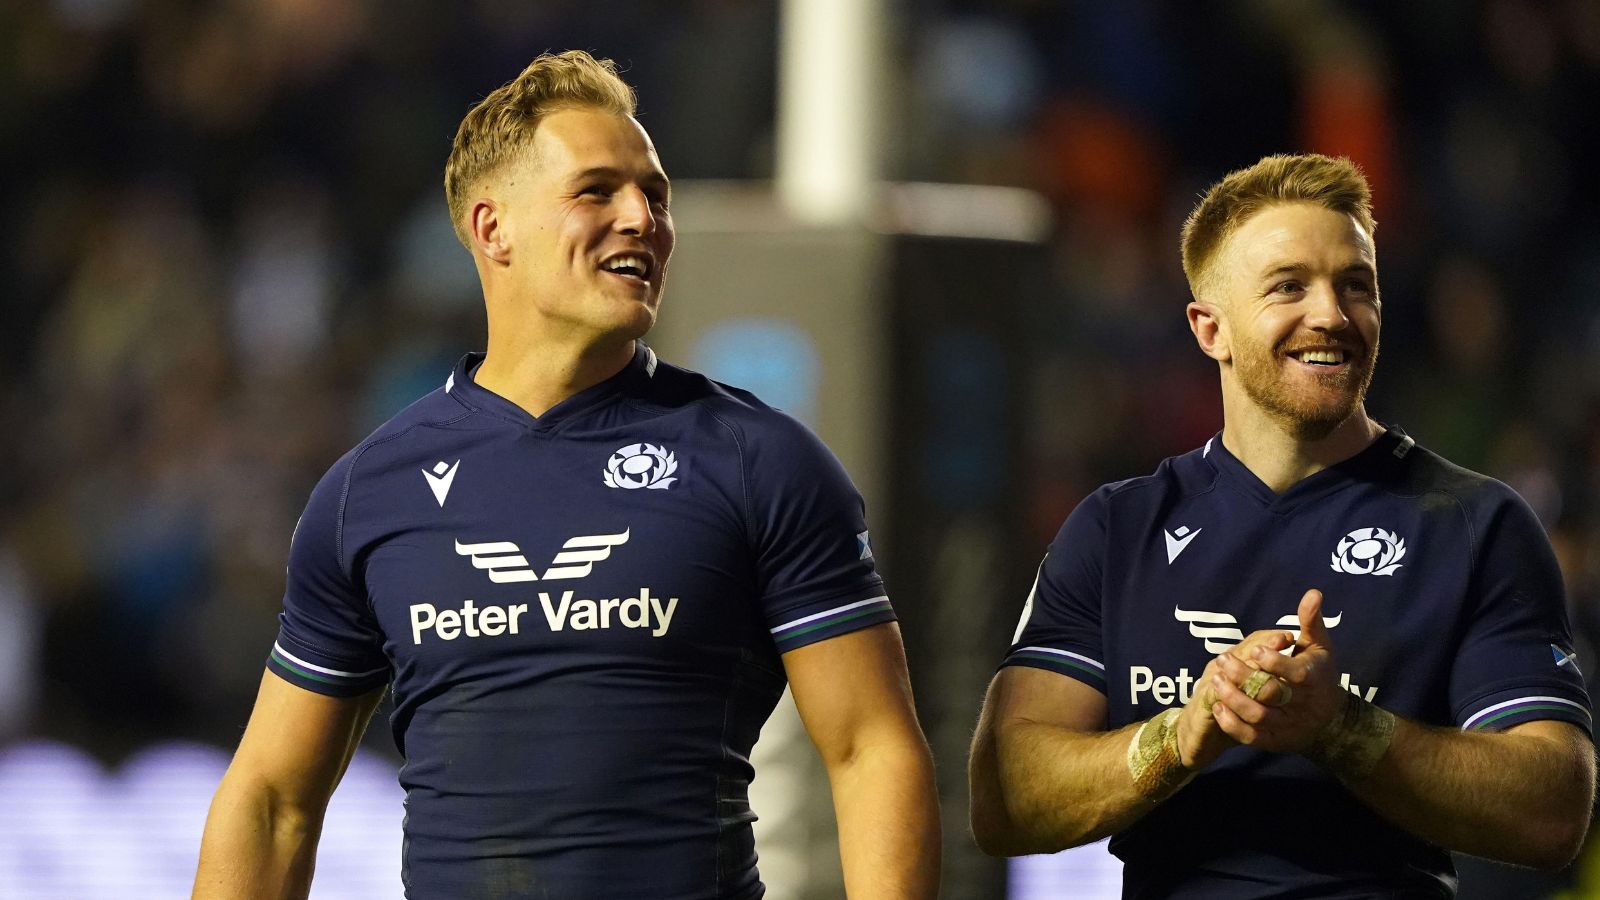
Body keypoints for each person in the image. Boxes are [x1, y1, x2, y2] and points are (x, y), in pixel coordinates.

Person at [193, 50, 940, 900]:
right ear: (491, 228)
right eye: (597, 190)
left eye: (654, 195)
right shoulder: (368, 492)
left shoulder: (759, 459)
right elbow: (272, 798)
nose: (643, 219)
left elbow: (871, 749)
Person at [968, 153, 1594, 897]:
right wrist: (1185, 733)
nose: (1331, 313)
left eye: (1355, 285)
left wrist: (1341, 728)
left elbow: (1556, 809)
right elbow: (1003, 799)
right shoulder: (1117, 529)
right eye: (1289, 286)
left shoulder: (1475, 526)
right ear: (1210, 330)